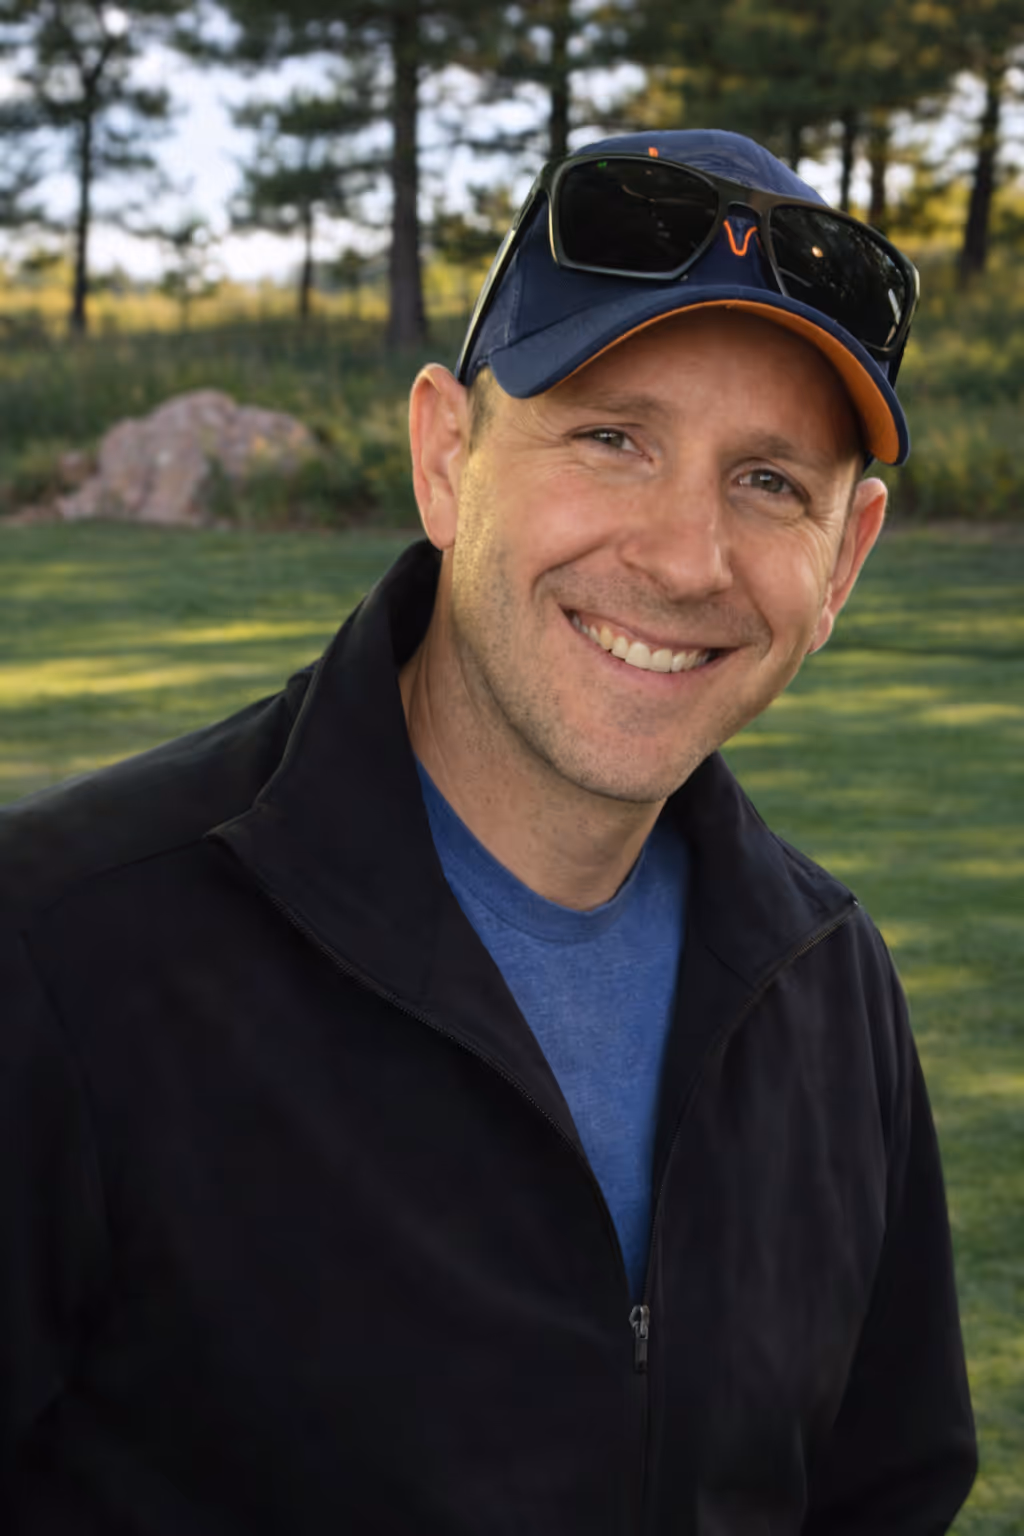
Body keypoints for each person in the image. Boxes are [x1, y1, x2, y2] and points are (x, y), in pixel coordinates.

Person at [0, 129, 975, 1534]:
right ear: (446, 457)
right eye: (611, 436)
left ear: (847, 560)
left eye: (769, 482)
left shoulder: (832, 996)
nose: (685, 556)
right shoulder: (61, 959)